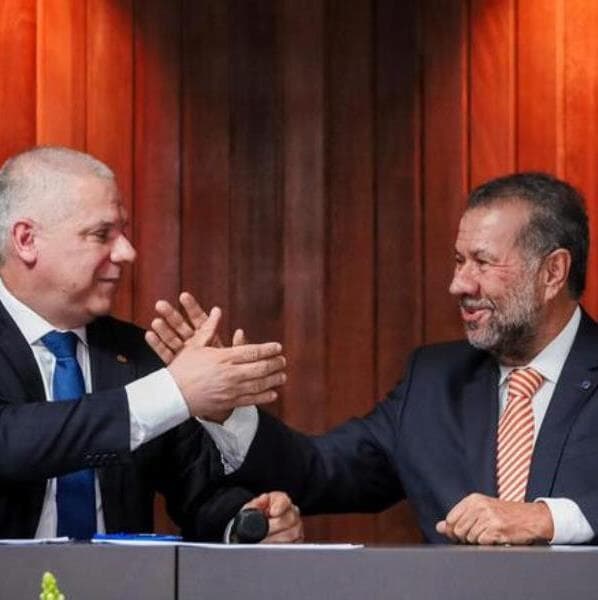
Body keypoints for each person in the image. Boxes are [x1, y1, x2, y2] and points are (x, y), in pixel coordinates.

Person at [149, 172, 598, 545]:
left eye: (482, 262)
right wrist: (228, 409)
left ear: (552, 272)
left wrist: (548, 519)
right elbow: (318, 470)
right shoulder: (433, 382)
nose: (459, 284)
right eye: (458, 261)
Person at [0, 146, 302, 543]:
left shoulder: (134, 352)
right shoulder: (158, 386)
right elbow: (11, 441)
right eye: (101, 235)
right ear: (26, 240)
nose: (127, 252)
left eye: (123, 233)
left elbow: (199, 492)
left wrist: (249, 522)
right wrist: (175, 392)